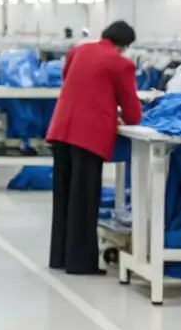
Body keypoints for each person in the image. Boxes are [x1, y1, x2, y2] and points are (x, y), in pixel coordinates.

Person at [46, 20, 142, 275]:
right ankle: (80, 263)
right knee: (84, 198)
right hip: (88, 134)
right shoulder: (121, 63)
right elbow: (132, 109)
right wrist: (124, 117)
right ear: (125, 45)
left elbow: (69, 79)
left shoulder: (79, 50)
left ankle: (59, 257)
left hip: (61, 127)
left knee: (64, 196)